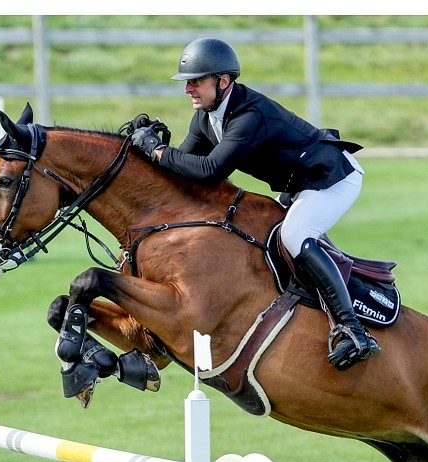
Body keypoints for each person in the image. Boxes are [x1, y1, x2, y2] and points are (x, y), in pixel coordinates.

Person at [130, 37, 380, 371]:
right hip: (298, 184)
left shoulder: (249, 115)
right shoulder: (206, 118)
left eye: (196, 81)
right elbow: (181, 172)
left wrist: (157, 150)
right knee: (262, 238)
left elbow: (209, 172)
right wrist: (143, 151)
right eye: (187, 82)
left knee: (294, 237)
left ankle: (354, 329)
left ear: (223, 81)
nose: (188, 89)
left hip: (332, 177)